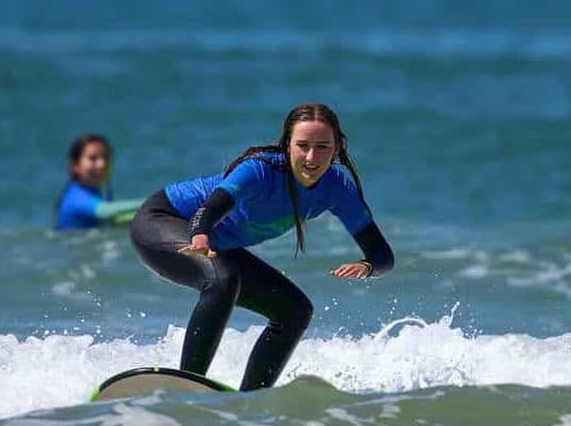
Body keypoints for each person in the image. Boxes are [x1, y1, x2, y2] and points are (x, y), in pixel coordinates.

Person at [130, 103, 394, 390]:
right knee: (223, 279)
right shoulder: (259, 169)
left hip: (213, 243)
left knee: (294, 311)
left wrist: (368, 266)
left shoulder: (336, 188)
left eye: (322, 147)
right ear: (287, 145)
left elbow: (383, 256)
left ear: (337, 148)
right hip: (162, 220)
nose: (311, 157)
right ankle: (189, 384)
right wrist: (201, 235)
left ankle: (251, 401)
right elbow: (211, 208)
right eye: (302, 145)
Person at [55, 134, 143, 230]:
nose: (102, 164)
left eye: (106, 158)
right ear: (75, 165)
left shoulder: (94, 193)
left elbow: (113, 219)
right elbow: (105, 210)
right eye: (93, 158)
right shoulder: (74, 197)